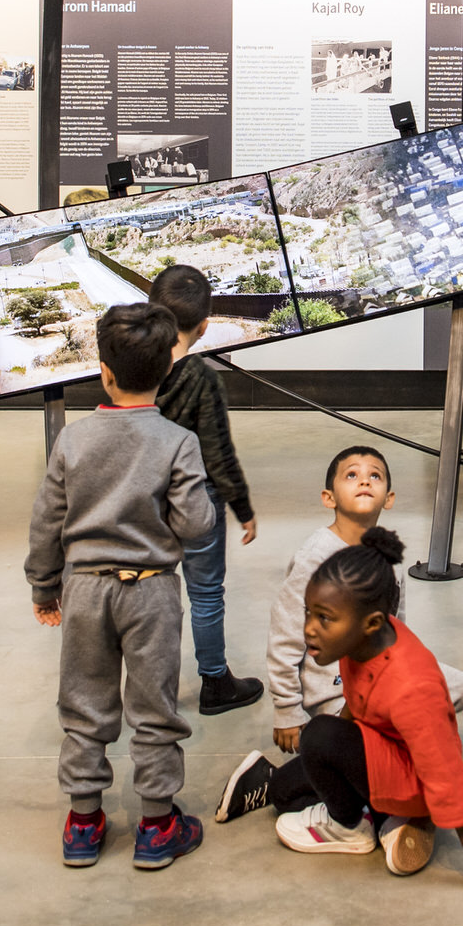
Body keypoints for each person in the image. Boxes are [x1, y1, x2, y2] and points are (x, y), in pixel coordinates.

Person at [214, 529, 463, 905]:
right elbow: (356, 701)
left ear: (371, 622)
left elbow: (449, 780)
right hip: (381, 751)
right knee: (283, 793)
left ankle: (356, 827)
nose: (309, 628)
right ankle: (382, 819)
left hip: (413, 781)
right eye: (309, 612)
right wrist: (332, 750)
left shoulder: (411, 689)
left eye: (324, 618)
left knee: (319, 736)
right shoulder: (361, 639)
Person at [26, 302, 216, 870]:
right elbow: (197, 525)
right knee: (154, 706)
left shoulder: (73, 441)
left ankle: (84, 822)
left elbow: (46, 522)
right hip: (152, 590)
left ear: (102, 371)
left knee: (84, 703)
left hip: (84, 590)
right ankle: (157, 826)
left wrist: (43, 587)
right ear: (166, 371)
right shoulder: (178, 442)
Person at [262, 446, 463, 751]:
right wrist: (286, 709)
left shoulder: (388, 555)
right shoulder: (315, 558)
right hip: (334, 691)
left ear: (389, 498)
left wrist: (411, 673)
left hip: (380, 673)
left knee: (458, 686)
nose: (365, 481)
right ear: (328, 497)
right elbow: (285, 636)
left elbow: (396, 626)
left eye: (375, 475)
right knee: (381, 743)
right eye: (352, 475)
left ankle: (382, 737)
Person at [148, 264, 264, 716]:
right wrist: (242, 506)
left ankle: (153, 689)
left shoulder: (136, 364)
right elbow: (218, 452)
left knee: (153, 592)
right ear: (204, 325)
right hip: (198, 501)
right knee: (206, 593)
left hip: (145, 500)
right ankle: (215, 682)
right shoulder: (201, 377)